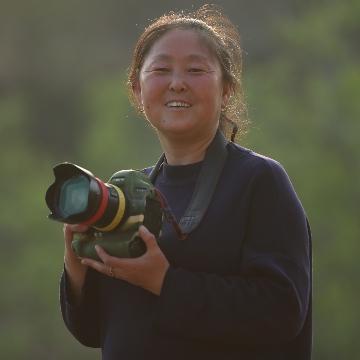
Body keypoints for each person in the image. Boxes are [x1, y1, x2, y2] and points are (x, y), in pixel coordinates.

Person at [60, 5, 312, 360]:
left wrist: (165, 282)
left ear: (226, 90)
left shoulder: (259, 180)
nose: (177, 82)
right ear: (137, 88)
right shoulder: (127, 197)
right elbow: (93, 331)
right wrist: (76, 267)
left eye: (195, 70)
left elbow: (282, 312)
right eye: (161, 69)